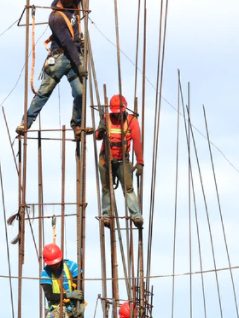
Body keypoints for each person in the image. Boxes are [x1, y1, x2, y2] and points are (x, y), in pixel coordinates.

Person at [16, 0, 87, 136]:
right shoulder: (56, 17)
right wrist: (79, 65)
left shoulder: (73, 4)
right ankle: (26, 123)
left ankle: (77, 124)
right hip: (61, 57)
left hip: (76, 55)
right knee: (44, 92)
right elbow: (67, 43)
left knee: (80, 93)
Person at [95, 94, 144, 228]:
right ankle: (106, 216)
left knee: (128, 189)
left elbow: (137, 142)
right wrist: (101, 130)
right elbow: (97, 137)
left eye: (120, 112)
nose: (118, 115)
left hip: (123, 161)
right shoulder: (106, 119)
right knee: (106, 189)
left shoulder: (131, 120)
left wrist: (140, 162)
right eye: (116, 113)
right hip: (106, 160)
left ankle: (136, 216)